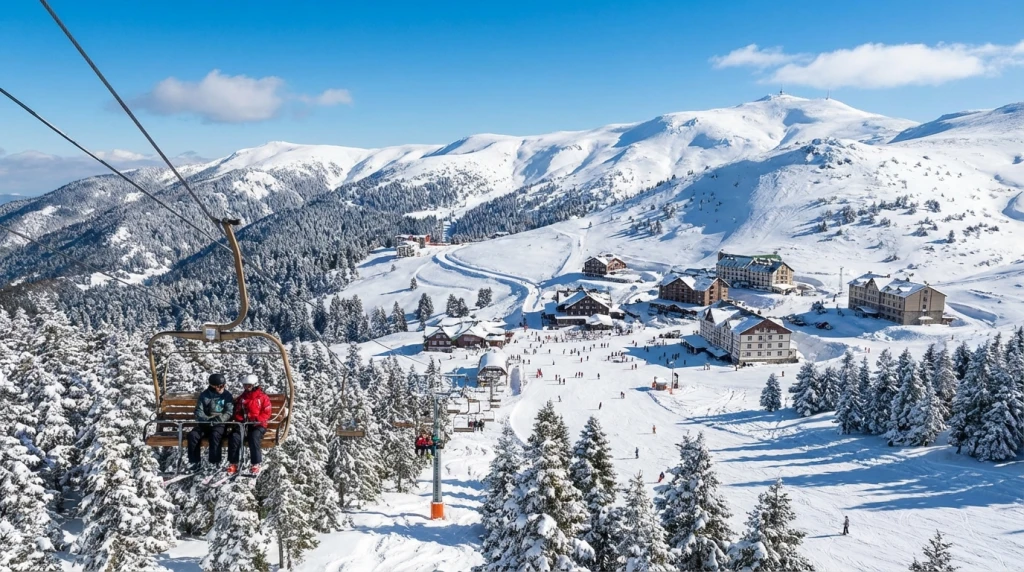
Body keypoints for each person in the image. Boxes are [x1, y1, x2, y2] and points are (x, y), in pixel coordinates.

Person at [186, 373, 233, 472]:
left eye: (223, 385)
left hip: (219, 424)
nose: (222, 388)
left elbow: (229, 412)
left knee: (215, 435)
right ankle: (194, 462)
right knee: (193, 435)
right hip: (205, 423)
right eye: (220, 386)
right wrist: (206, 420)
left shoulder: (226, 395)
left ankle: (214, 462)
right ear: (213, 386)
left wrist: (217, 420)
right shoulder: (205, 395)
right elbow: (198, 411)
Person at [227, 374, 273, 475]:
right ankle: (233, 463)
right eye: (245, 385)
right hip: (245, 424)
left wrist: (257, 419)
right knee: (234, 436)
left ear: (254, 385)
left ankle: (255, 464)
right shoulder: (242, 398)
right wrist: (240, 419)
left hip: (258, 425)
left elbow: (267, 413)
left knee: (254, 437)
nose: (246, 387)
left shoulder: (262, 397)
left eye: (249, 385)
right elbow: (237, 411)